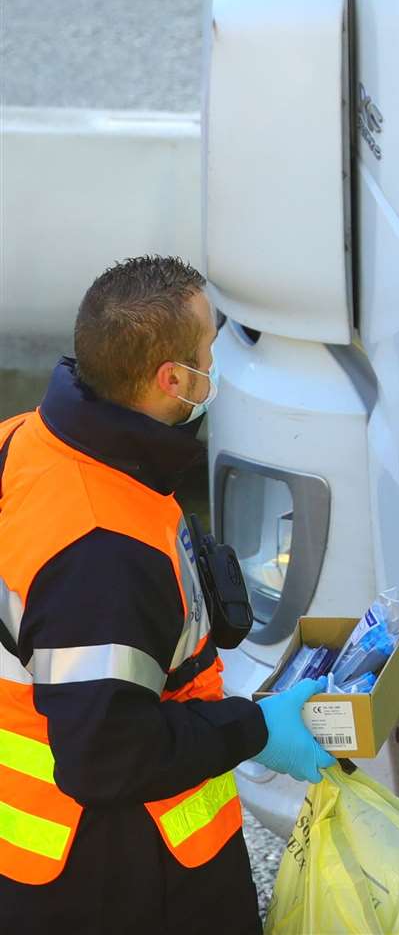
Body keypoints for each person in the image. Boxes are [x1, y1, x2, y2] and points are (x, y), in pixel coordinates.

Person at [0, 255, 334, 933]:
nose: (219, 364)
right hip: (113, 867)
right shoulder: (100, 555)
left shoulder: (27, 443)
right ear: (173, 380)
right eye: (212, 349)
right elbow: (107, 756)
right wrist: (257, 727)